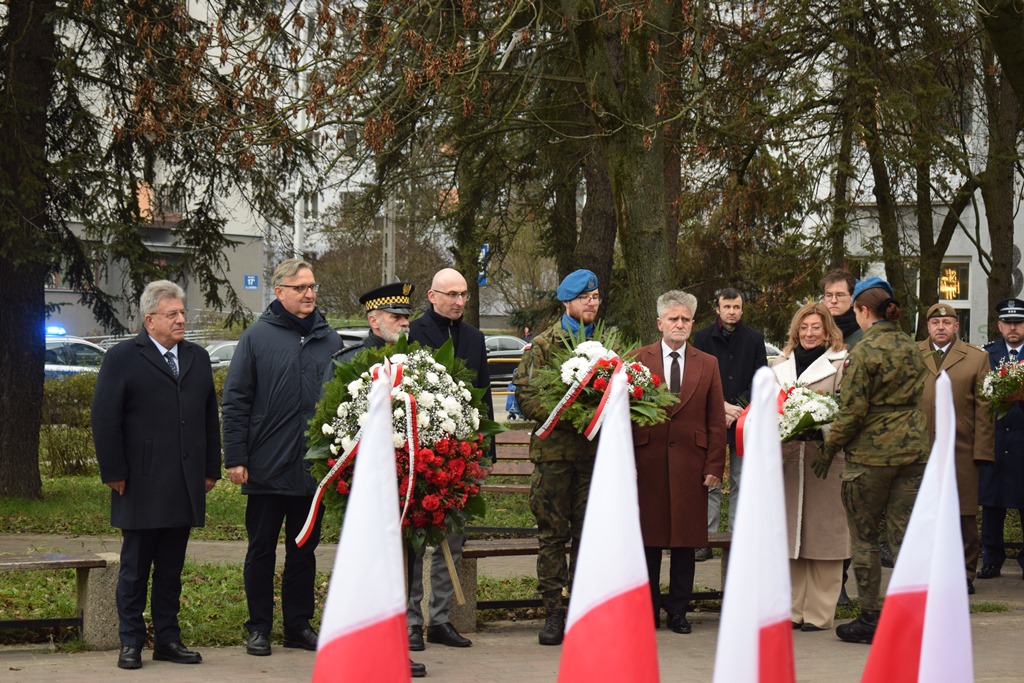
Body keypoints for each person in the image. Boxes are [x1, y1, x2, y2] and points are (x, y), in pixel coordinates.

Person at [92, 280, 221, 670]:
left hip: (184, 480)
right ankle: (130, 642)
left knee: (171, 569)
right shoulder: (122, 358)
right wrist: (114, 471)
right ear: (150, 320)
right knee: (134, 569)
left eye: (182, 313)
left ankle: (167, 639)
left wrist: (210, 468)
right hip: (140, 481)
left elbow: (208, 417)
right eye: (172, 314)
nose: (181, 320)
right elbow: (104, 419)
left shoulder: (197, 357)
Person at [221, 259, 342, 657]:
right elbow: (236, 400)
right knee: (261, 550)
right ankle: (258, 627)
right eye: (300, 287)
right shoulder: (256, 337)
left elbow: (341, 402)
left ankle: (297, 625)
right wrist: (235, 457)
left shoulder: (329, 339)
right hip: (266, 466)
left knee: (303, 551)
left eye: (312, 286)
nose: (309, 294)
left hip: (312, 468)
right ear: (279, 292)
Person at [813, 276, 929, 644]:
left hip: (871, 457)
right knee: (905, 536)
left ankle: (871, 617)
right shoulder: (912, 346)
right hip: (912, 451)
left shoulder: (862, 352)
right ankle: (914, 617)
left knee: (865, 538)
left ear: (863, 311)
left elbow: (852, 411)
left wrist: (829, 449)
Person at [406, 268, 492, 652]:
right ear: (432, 296)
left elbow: (484, 394)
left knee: (452, 539)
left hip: (461, 455)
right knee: (414, 543)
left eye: (464, 295)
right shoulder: (413, 333)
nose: (459, 302)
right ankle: (410, 621)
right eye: (452, 294)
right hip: (422, 453)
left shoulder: (474, 337)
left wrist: (485, 452)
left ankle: (439, 619)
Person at [514, 269, 601, 645]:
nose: (592, 303)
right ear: (567, 302)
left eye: (595, 297)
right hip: (554, 456)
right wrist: (569, 414)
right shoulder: (544, 345)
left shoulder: (605, 345)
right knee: (552, 535)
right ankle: (553, 612)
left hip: (593, 456)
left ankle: (582, 609)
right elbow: (526, 395)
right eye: (585, 298)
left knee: (588, 535)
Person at [632, 290, 726, 634]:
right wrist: (627, 463)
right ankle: (646, 609)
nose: (680, 324)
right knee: (649, 541)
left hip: (691, 464)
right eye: (673, 319)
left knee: (686, 543)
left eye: (686, 319)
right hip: (648, 463)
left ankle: (678, 611)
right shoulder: (637, 359)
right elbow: (625, 415)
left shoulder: (708, 363)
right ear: (660, 323)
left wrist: (714, 466)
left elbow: (715, 420)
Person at [770, 302, 850, 631]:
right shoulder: (779, 365)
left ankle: (818, 613)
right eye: (803, 328)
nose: (809, 333)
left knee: (824, 536)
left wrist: (822, 424)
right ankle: (792, 609)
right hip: (788, 457)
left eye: (816, 327)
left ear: (827, 330)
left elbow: (846, 407)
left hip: (825, 458)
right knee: (791, 537)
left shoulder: (840, 362)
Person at [916, 303, 994, 594]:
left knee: (962, 514)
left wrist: (982, 451)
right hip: (919, 446)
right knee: (923, 511)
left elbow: (985, 408)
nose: (941, 327)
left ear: (956, 326)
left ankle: (964, 573)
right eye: (936, 323)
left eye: (947, 322)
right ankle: (925, 570)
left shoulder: (977, 357)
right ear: (928, 326)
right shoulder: (912, 354)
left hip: (960, 447)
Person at [691, 288, 768, 558]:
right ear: (718, 309)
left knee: (740, 479)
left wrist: (737, 408)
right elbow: (698, 376)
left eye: (736, 307)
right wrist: (721, 405)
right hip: (710, 418)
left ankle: (737, 538)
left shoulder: (755, 339)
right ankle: (705, 538)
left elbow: (760, 377)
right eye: (727, 307)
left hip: (743, 418)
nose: (732, 312)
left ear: (742, 309)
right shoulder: (702, 338)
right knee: (709, 479)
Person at [978, 298, 1024, 581]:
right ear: (999, 325)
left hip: (1022, 442)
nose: (1013, 328)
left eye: (1018, 322)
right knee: (992, 505)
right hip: (994, 440)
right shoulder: (986, 354)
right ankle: (991, 560)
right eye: (1008, 323)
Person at [332, 282, 414, 367]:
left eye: (406, 317)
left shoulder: (416, 357)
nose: (406, 323)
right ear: (374, 321)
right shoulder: (347, 361)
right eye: (396, 317)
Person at [821, 269, 863, 349]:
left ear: (852, 298)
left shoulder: (863, 332)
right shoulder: (814, 330)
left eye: (840, 295)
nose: (833, 301)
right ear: (824, 299)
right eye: (829, 295)